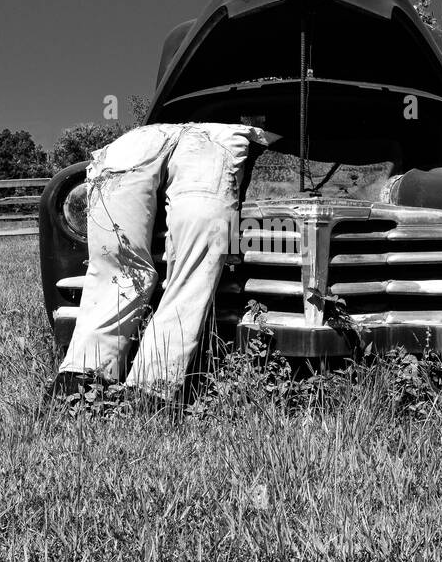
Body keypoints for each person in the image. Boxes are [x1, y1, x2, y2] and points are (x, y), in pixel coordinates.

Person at [55, 120, 278, 397]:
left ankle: (77, 383)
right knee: (193, 268)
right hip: (210, 143)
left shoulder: (152, 127)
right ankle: (151, 389)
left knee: (117, 267)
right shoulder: (231, 130)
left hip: (136, 141)